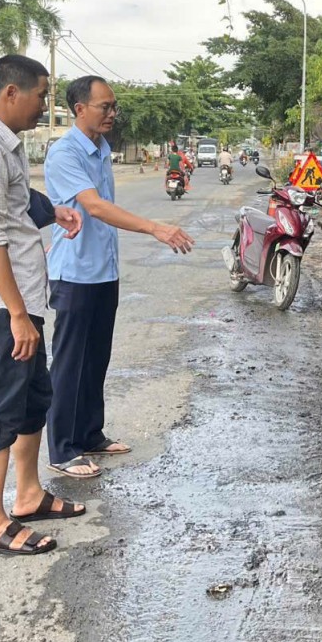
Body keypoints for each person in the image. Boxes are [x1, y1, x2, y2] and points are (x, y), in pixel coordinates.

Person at [0, 55, 84, 557]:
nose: (45, 105)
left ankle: (27, 496)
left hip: (21, 299)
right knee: (2, 409)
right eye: (42, 95)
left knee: (32, 400)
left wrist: (54, 209)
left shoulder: (4, 144)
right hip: (1, 304)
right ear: (10, 93)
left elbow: (17, 200)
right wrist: (17, 314)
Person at [45, 76, 194, 479]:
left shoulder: (101, 149)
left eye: (114, 107)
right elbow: (94, 206)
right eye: (105, 107)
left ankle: (90, 433)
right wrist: (154, 228)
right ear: (80, 109)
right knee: (70, 362)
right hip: (74, 273)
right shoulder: (65, 154)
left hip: (102, 271)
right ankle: (62, 448)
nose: (112, 113)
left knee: (96, 358)